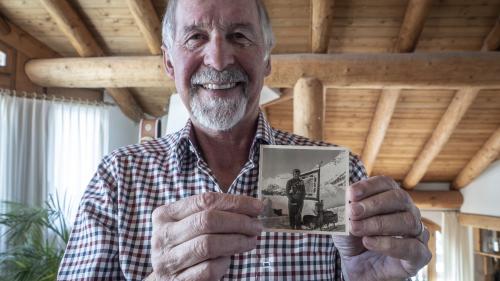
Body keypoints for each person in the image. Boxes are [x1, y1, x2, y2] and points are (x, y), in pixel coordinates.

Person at [57, 0, 431, 280]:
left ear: (267, 58)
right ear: (169, 61)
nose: (218, 60)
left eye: (239, 36)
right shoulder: (118, 178)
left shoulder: (340, 172)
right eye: (195, 37)